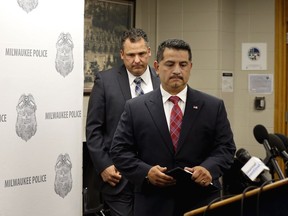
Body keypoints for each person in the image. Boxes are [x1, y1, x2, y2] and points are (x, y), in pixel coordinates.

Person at [110, 38, 236, 216]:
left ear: (190, 66)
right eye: (169, 64)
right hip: (152, 203)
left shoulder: (212, 106)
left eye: (183, 64)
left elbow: (226, 148)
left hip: (200, 202)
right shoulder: (135, 108)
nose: (177, 70)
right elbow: (119, 151)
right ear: (156, 66)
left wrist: (209, 168)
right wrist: (146, 172)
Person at [85, 28, 160, 216]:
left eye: (142, 54)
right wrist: (103, 165)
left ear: (149, 52)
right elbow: (94, 129)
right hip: (118, 178)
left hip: (156, 176)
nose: (137, 60)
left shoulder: (162, 81)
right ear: (121, 54)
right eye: (131, 55)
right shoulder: (105, 81)